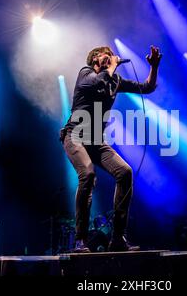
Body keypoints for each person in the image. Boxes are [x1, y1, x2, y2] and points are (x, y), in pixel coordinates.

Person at [60, 45, 162, 252]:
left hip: (96, 140)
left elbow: (147, 87)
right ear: (96, 58)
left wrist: (154, 66)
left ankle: (118, 238)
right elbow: (97, 81)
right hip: (75, 135)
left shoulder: (114, 80)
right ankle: (80, 240)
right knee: (87, 175)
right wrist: (112, 66)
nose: (111, 56)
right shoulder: (86, 73)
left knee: (125, 172)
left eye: (111, 54)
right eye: (106, 53)